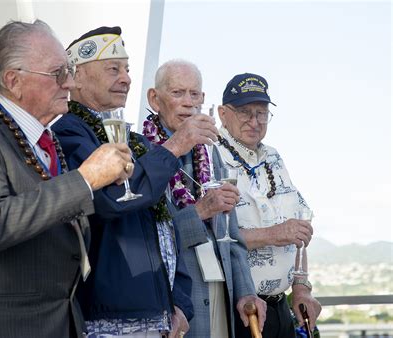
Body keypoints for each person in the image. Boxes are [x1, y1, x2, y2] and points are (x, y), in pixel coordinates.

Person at [0, 20, 133, 338]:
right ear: (14, 81)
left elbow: (57, 223)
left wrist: (99, 186)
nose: (69, 83)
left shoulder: (44, 138)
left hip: (58, 322)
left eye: (70, 71)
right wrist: (86, 179)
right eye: (58, 73)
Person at [52, 27, 218, 338]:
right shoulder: (68, 134)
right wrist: (176, 146)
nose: (127, 78)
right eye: (113, 69)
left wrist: (180, 303)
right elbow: (109, 200)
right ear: (78, 77)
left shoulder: (136, 142)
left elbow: (164, 225)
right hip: (107, 321)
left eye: (127, 69)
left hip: (158, 318)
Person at [143, 59, 266, 338]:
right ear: (155, 99)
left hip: (221, 293)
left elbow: (232, 235)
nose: (188, 103)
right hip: (177, 302)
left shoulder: (212, 155)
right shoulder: (143, 155)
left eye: (194, 94)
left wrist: (246, 292)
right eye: (177, 93)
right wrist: (198, 212)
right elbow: (149, 238)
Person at [215, 72, 322, 338]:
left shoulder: (274, 157)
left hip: (279, 310)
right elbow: (212, 238)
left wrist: (300, 287)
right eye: (244, 112)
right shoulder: (208, 155)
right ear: (222, 113)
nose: (254, 122)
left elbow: (300, 228)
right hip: (236, 311)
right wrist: (272, 235)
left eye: (261, 113)